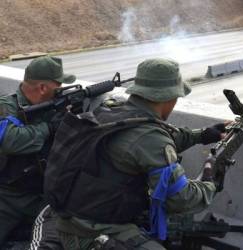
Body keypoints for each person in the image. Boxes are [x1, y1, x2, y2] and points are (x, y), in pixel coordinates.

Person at [45, 58, 226, 250]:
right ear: (168, 98)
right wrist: (210, 183)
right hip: (94, 232)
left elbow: (152, 141)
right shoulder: (149, 137)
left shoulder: (112, 110)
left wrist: (202, 135)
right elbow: (181, 199)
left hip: (70, 219)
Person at [0, 56, 76, 247]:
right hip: (8, 197)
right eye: (58, 86)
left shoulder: (55, 108)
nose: (61, 91)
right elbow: (10, 140)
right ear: (43, 88)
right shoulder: (7, 106)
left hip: (41, 197)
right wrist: (48, 128)